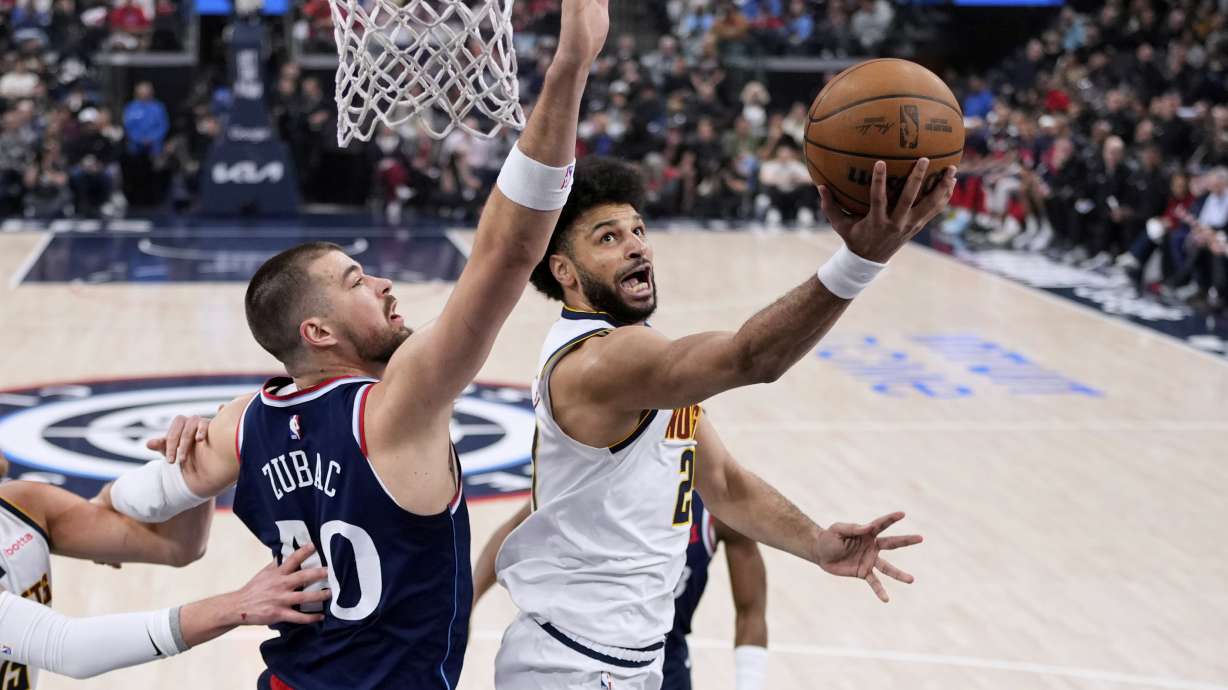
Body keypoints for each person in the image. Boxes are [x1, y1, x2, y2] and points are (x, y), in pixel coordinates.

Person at [100, 2, 611, 688]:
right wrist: (571, 66)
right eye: (356, 280)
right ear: (318, 332)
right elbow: (510, 251)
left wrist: (154, 488)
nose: (384, 283)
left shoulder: (243, 424)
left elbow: (130, 504)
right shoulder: (395, 407)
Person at [491, 155, 954, 690]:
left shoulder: (643, 367)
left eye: (638, 229)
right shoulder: (598, 362)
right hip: (570, 666)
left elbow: (727, 486)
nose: (637, 245)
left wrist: (817, 542)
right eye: (608, 238)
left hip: (626, 659)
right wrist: (859, 259)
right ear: (564, 271)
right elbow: (751, 359)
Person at [0, 451, 328, 687]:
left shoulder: (21, 505)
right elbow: (67, 648)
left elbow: (178, 546)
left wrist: (188, 466)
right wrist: (236, 606)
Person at [474, 492, 769, 690]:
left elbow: (751, 612)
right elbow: (514, 527)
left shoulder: (718, 510)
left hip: (668, 662)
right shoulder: (607, 477)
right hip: (589, 657)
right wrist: (466, 601)